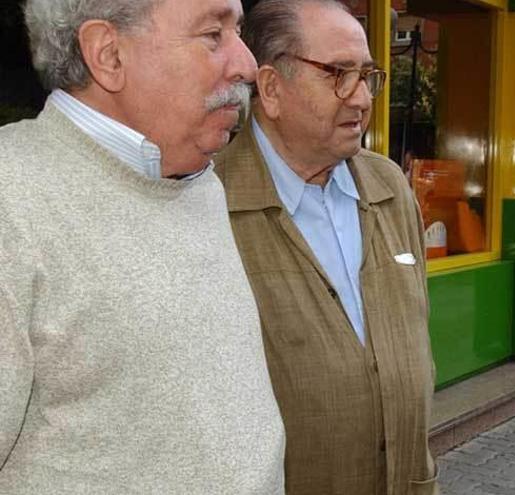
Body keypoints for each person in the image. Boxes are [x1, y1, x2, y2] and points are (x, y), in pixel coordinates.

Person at [0, 0, 285, 493]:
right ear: (108, 54)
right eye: (213, 34)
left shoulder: (199, 181)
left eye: (237, 31)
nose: (246, 64)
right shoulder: (12, 200)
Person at [213, 1, 436, 494]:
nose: (361, 98)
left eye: (368, 76)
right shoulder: (211, 203)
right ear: (271, 89)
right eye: (339, 75)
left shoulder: (390, 188)